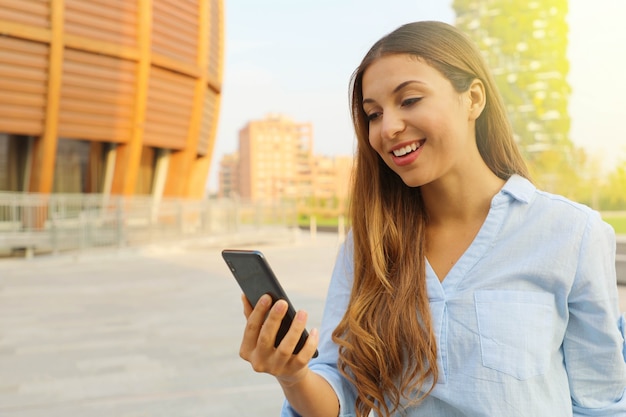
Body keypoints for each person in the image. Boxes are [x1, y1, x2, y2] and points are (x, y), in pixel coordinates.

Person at [238, 20, 626, 416]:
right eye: (373, 114)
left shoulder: (572, 233)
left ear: (473, 99)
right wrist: (293, 375)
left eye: (409, 100)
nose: (388, 128)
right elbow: (339, 389)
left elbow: (601, 404)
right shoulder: (368, 243)